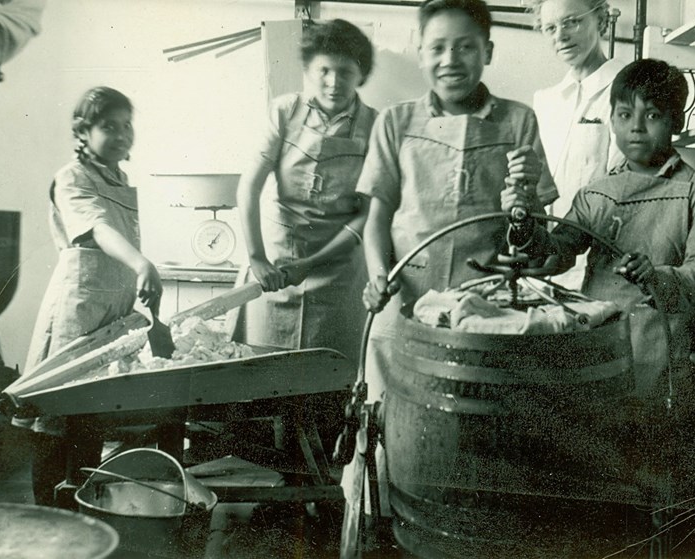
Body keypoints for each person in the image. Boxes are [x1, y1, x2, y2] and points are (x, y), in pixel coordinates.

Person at [502, 58, 695, 503]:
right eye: (624, 115)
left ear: (677, 122)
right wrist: (522, 220)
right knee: (592, 479)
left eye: (652, 116)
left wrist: (660, 275)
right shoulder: (595, 194)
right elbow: (552, 256)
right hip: (597, 354)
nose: (636, 128)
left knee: (651, 483)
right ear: (610, 119)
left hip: (661, 357)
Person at [359, 0, 556, 402]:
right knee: (386, 427)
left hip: (486, 312)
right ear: (421, 54)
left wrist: (526, 198)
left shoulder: (518, 121)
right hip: (403, 302)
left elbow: (537, 242)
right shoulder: (395, 123)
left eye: (466, 47)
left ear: (488, 51)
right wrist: (379, 275)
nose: (450, 60)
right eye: (437, 48)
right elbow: (376, 219)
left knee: (474, 430)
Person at [17, 86, 163, 506]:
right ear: (83, 131)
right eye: (107, 126)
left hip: (110, 312)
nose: (120, 134)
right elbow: (99, 229)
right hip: (77, 311)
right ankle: (47, 516)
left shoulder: (118, 178)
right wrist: (141, 264)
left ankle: (82, 515)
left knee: (91, 419)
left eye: (126, 125)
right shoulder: (71, 178)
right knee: (57, 420)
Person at [238, 19, 377, 366]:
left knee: (327, 376)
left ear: (361, 74)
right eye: (323, 70)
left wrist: (313, 263)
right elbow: (249, 185)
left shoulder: (376, 125)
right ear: (307, 70)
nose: (333, 83)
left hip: (338, 268)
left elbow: (367, 212)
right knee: (259, 378)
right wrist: (256, 256)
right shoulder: (284, 111)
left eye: (345, 72)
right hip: (276, 261)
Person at [531, 0, 627, 289]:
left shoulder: (626, 90)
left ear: (601, 20)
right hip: (546, 262)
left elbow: (621, 185)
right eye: (550, 27)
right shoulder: (545, 101)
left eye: (571, 22)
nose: (559, 35)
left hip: (601, 261)